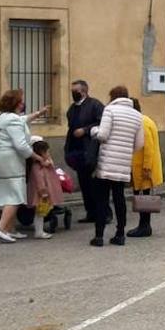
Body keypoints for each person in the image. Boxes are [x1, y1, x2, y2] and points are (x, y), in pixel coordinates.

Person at [90, 86, 145, 246]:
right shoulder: (137, 115)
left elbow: (102, 135)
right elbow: (140, 144)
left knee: (102, 200)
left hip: (106, 163)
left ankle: (99, 236)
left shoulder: (110, 110)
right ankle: (120, 234)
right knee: (119, 199)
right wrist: (127, 151)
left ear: (113, 97)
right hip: (123, 164)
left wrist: (94, 130)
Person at [0, 89, 37, 242]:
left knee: (6, 194)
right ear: (15, 103)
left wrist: (38, 114)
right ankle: (1, 228)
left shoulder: (2, 117)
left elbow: (23, 120)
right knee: (15, 195)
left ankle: (9, 228)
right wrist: (36, 157)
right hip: (11, 161)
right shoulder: (13, 119)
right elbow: (20, 145)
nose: (23, 104)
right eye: (21, 101)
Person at [65, 80, 106, 223]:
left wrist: (85, 130)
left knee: (95, 184)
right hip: (77, 151)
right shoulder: (72, 109)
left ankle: (104, 213)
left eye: (76, 91)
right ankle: (90, 212)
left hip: (91, 149)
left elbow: (103, 123)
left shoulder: (95, 105)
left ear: (84, 91)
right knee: (84, 184)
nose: (73, 93)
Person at [128, 98, 163, 238]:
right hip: (142, 167)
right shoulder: (144, 120)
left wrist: (147, 168)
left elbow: (147, 148)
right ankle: (143, 225)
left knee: (143, 198)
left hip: (144, 168)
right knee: (142, 197)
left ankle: (145, 226)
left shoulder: (142, 123)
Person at [25, 139, 63, 239]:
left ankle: (39, 230)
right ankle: (39, 231)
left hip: (42, 193)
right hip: (41, 194)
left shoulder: (42, 164)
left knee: (41, 212)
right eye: (46, 152)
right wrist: (43, 192)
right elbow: (39, 181)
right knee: (40, 213)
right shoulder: (37, 166)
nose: (48, 154)